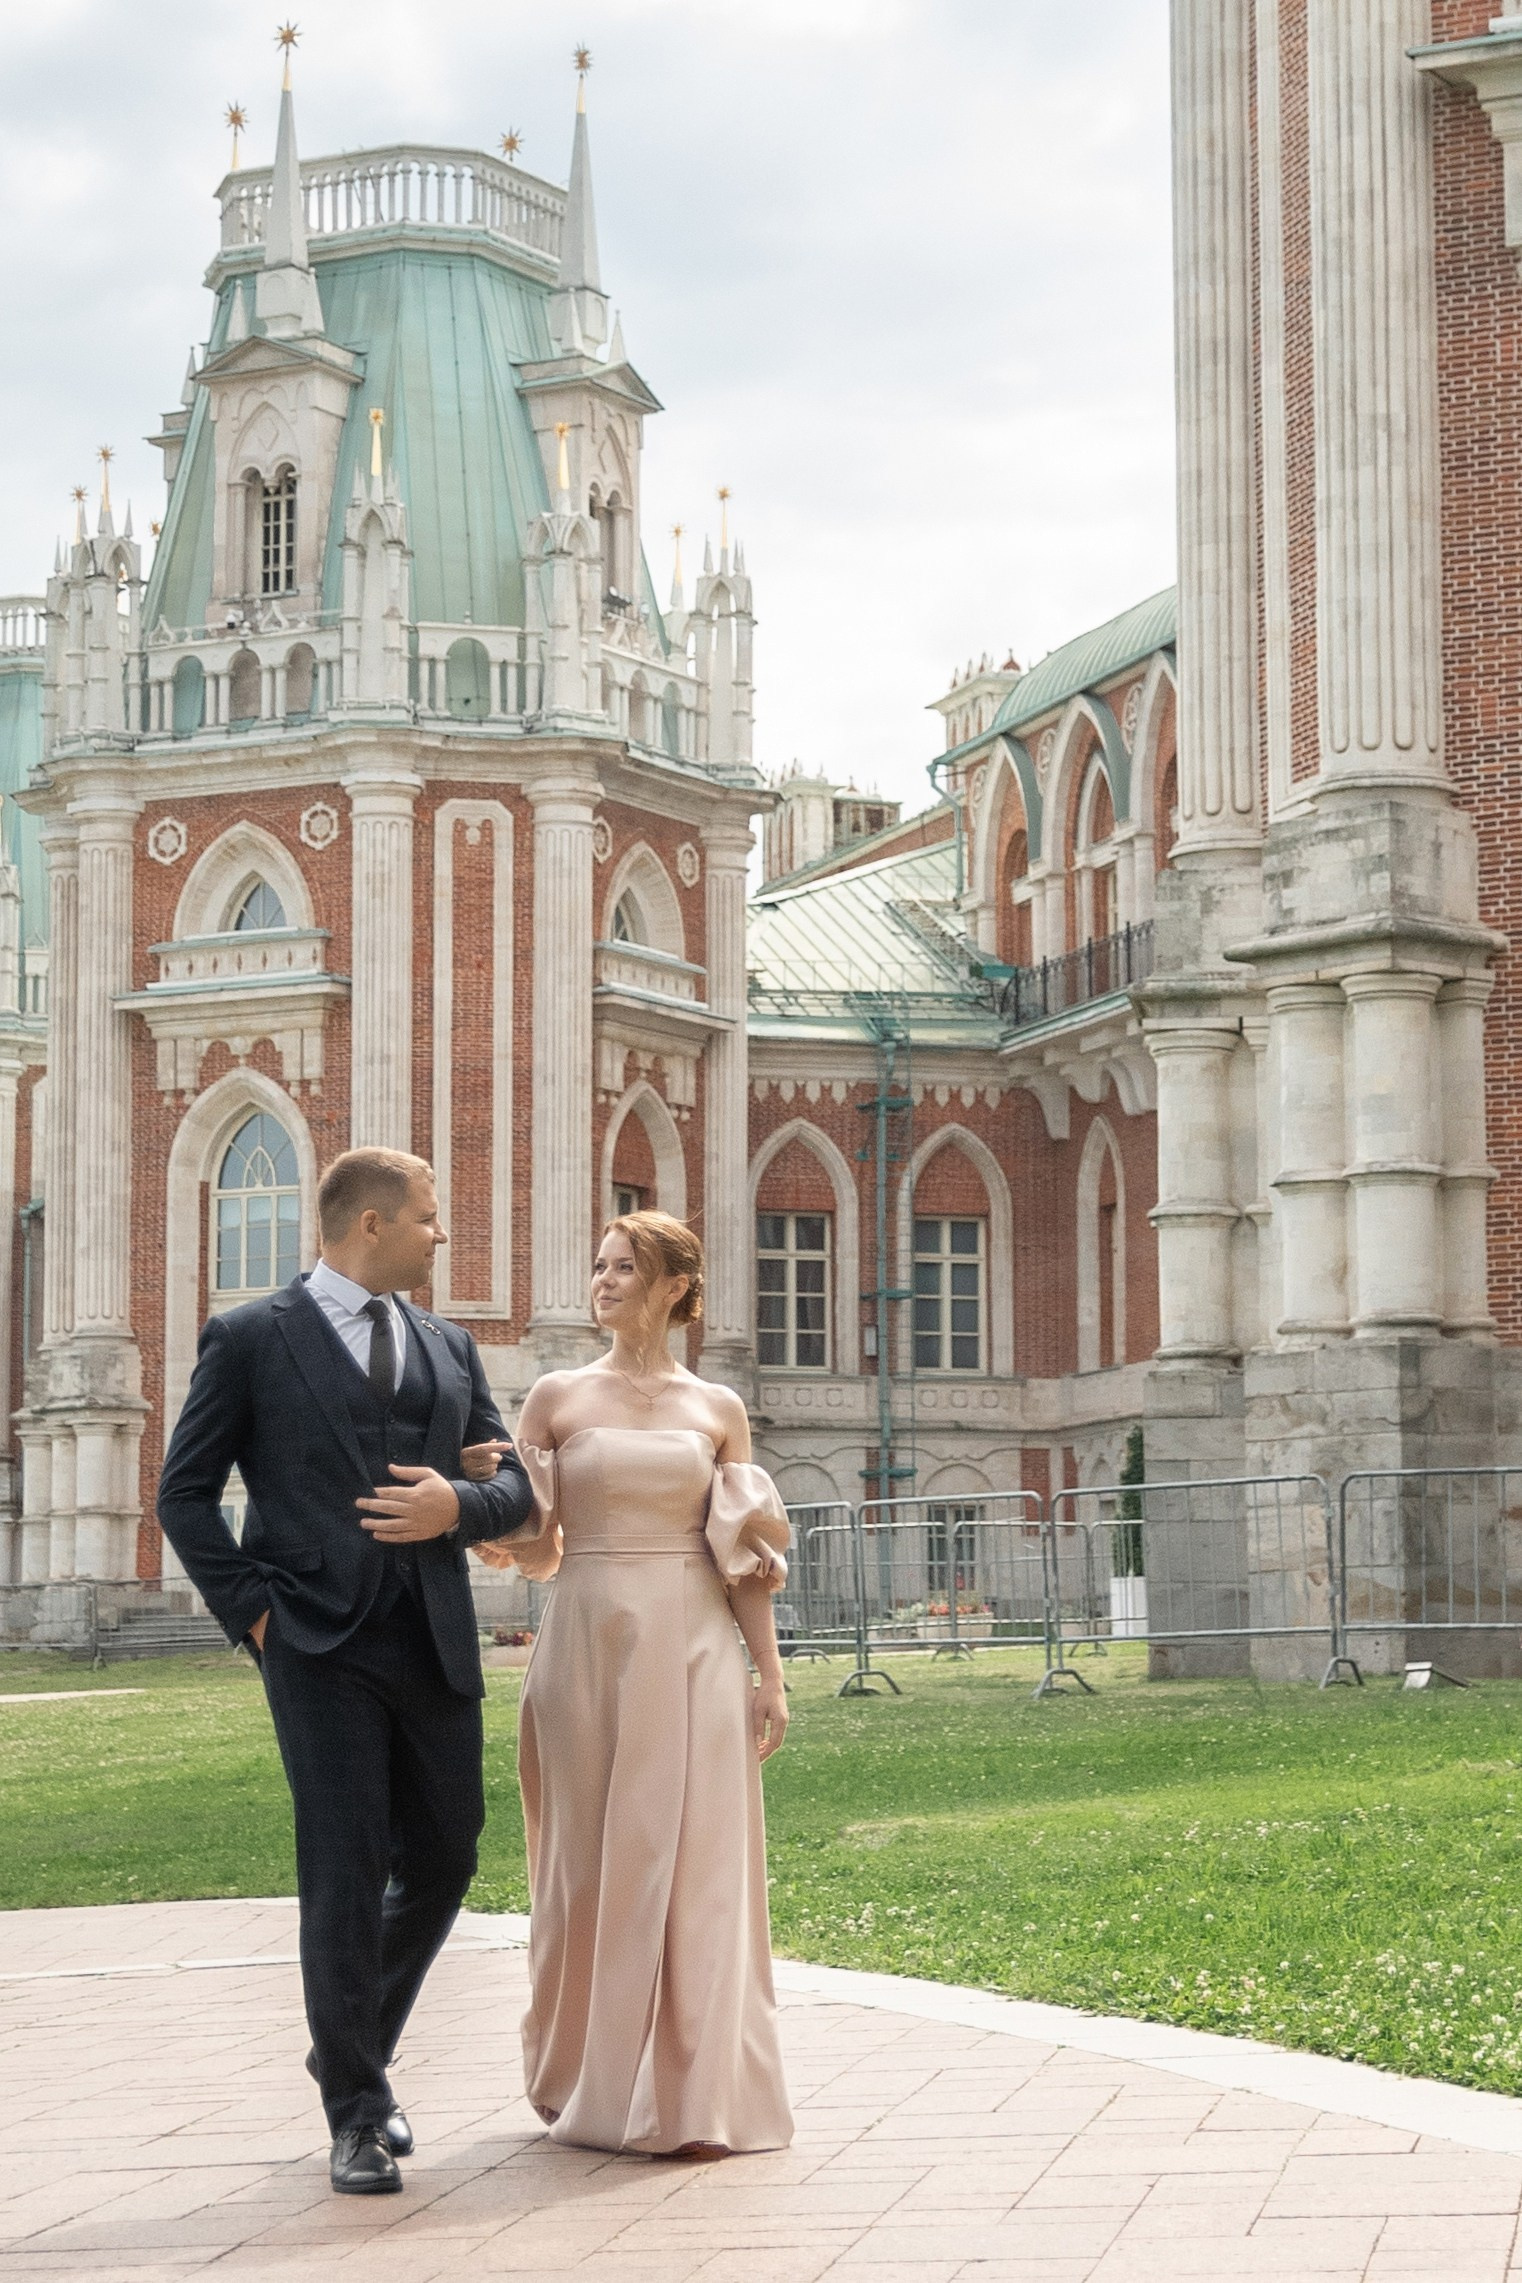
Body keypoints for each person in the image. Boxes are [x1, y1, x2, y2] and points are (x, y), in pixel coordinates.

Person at [156, 1147, 534, 2196]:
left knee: (450, 1854)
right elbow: (184, 1495)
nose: (440, 1235)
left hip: (432, 1636)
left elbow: (519, 1491)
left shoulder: (449, 1346)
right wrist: (257, 1618)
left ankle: (346, 2041)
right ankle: (358, 2115)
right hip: (314, 1645)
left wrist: (456, 1507)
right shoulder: (248, 1340)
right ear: (369, 1223)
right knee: (344, 1869)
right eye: (427, 1217)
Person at [473, 1209, 794, 2158]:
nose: (604, 1280)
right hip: (583, 1646)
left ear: (674, 1287)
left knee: (694, 1862)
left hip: (694, 1643)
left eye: (626, 1267)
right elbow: (524, 1533)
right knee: (584, 1864)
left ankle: (694, 2096)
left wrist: (768, 1675)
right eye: (600, 1263)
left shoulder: (718, 1410)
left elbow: (744, 1560)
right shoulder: (556, 1398)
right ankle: (583, 2077)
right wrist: (469, 1500)